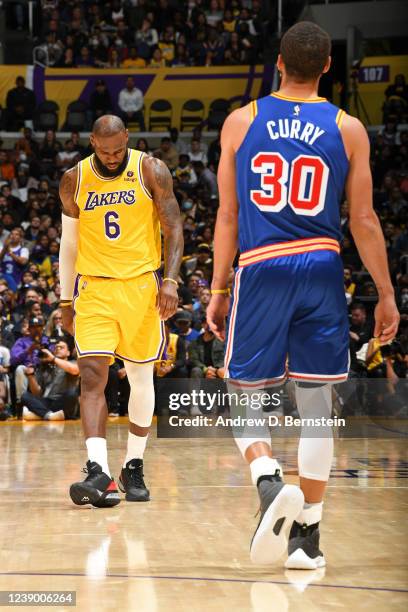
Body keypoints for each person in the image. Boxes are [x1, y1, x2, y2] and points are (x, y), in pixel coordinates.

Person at [207, 21, 400, 569]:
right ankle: (306, 541)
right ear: (328, 68)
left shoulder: (241, 122)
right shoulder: (349, 128)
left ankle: (269, 482)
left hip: (263, 265)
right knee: (316, 407)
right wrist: (385, 292)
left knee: (244, 393)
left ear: (279, 64)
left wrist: (220, 287)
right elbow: (362, 219)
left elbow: (227, 215)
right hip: (322, 264)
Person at [59, 115, 183, 507]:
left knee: (141, 378)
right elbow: (68, 245)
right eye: (103, 149)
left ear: (127, 138)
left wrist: (171, 280)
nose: (111, 157)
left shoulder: (150, 169)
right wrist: (65, 299)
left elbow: (174, 227)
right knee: (93, 374)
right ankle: (98, 470)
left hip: (141, 287)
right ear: (92, 141)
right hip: (94, 288)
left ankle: (133, 465)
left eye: (117, 149)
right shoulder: (73, 180)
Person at [22, 339, 79, 421]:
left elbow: (74, 370)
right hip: (47, 402)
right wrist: (31, 376)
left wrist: (53, 359)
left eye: (61, 347)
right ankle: (50, 415)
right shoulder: (45, 367)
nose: (58, 349)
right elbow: (37, 393)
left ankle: (40, 414)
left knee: (72, 393)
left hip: (62, 402)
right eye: (56, 348)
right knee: (25, 396)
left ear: (68, 353)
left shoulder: (73, 362)